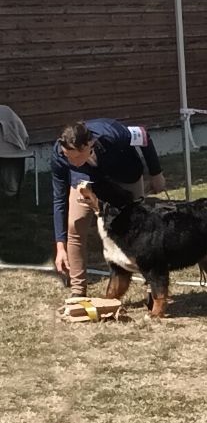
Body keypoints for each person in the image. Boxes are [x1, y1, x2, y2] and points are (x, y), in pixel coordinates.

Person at [51, 119, 166, 297]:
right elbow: (59, 199)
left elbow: (144, 135)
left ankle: (152, 283)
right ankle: (77, 292)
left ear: (89, 144)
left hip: (125, 174)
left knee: (139, 228)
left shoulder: (113, 133)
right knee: (75, 225)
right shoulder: (59, 154)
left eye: (76, 157)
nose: (71, 162)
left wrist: (156, 172)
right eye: (68, 157)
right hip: (86, 180)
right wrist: (60, 246)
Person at [0, 105, 29, 199]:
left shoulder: (5, 111)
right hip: (15, 150)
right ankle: (12, 189)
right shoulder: (6, 111)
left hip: (12, 151)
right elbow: (24, 135)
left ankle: (11, 189)